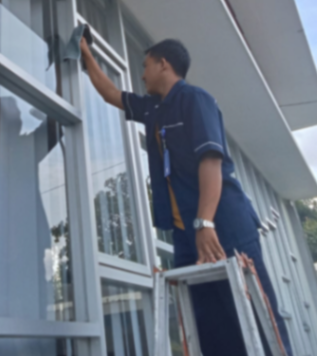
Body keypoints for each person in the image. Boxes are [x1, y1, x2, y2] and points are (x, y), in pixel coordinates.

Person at [80, 36, 293, 356]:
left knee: (256, 321)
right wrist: (85, 53)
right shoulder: (153, 108)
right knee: (210, 327)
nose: (142, 74)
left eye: (146, 66)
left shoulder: (196, 100)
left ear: (163, 64)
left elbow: (211, 160)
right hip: (186, 235)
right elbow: (111, 94)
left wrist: (205, 222)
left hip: (223, 225)